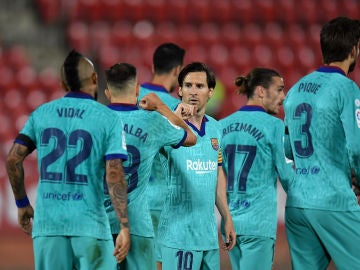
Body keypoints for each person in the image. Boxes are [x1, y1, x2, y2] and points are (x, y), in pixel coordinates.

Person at [5, 50, 130, 270]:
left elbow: (13, 159)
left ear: (63, 83)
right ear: (94, 79)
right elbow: (114, 173)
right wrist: (124, 226)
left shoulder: (41, 113)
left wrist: (22, 204)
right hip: (90, 226)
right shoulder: (108, 118)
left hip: (48, 226)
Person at [103, 62, 197, 270]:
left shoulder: (95, 120)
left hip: (98, 223)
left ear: (107, 93)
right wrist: (161, 107)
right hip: (137, 224)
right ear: (137, 89)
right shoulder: (152, 121)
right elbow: (191, 137)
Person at [283, 16, 360, 269]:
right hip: (334, 200)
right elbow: (357, 147)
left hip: (297, 202)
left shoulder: (295, 89)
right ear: (354, 49)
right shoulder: (347, 89)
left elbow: (287, 149)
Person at [157, 62, 236, 270]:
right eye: (188, 85)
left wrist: (226, 217)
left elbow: (217, 173)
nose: (193, 91)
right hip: (177, 237)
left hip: (207, 236)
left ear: (210, 92)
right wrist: (172, 119)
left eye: (199, 86)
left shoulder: (216, 128)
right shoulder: (167, 126)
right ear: (180, 89)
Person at [219, 68, 294, 270]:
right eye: (278, 90)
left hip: (230, 223)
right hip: (258, 224)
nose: (283, 96)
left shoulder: (222, 125)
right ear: (261, 91)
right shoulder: (274, 126)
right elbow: (288, 179)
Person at [137, 42, 186, 269]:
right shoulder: (176, 107)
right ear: (177, 70)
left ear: (154, 65)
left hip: (128, 198)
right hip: (160, 201)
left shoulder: (131, 97)